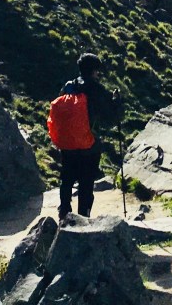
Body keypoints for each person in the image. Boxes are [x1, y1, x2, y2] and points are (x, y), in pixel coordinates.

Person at [50, 52, 120, 220]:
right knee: (86, 182)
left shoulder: (69, 86)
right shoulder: (96, 89)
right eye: (97, 71)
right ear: (94, 70)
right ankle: (83, 216)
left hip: (68, 143)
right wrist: (117, 102)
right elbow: (110, 118)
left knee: (66, 178)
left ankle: (64, 211)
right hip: (89, 144)